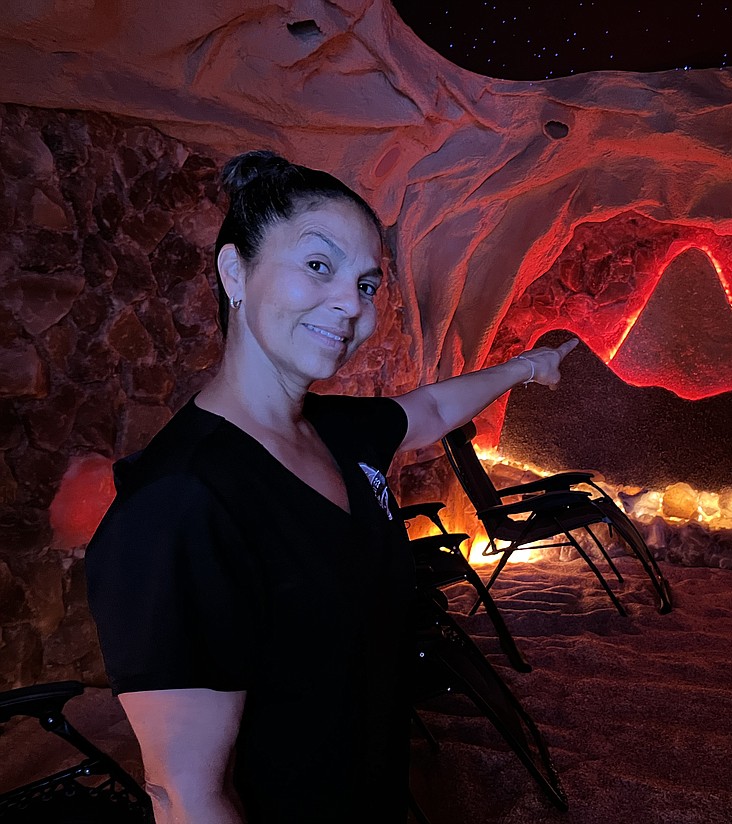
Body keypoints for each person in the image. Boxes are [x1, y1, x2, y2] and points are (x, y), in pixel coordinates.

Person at [86, 150, 577, 823]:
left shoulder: (337, 432)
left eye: (368, 284)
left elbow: (429, 410)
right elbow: (186, 796)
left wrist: (529, 366)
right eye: (318, 266)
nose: (351, 304)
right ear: (235, 271)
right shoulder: (180, 504)